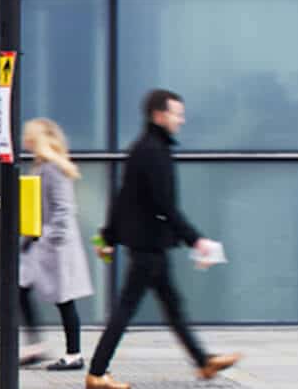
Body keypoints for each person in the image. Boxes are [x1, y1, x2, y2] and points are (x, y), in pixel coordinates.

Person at [85, 90, 241, 389]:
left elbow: (123, 197)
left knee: (172, 305)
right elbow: (164, 205)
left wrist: (108, 234)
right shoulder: (153, 152)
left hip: (149, 244)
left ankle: (203, 362)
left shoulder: (145, 148)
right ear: (159, 115)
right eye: (176, 114)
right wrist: (195, 239)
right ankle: (96, 373)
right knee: (127, 308)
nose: (181, 120)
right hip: (148, 245)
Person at [18, 118, 94, 372]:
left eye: (28, 136)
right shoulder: (42, 166)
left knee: (64, 300)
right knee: (21, 289)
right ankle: (36, 345)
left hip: (55, 248)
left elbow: (64, 210)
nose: (25, 141)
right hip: (41, 244)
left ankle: (74, 355)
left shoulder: (52, 168)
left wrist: (46, 239)